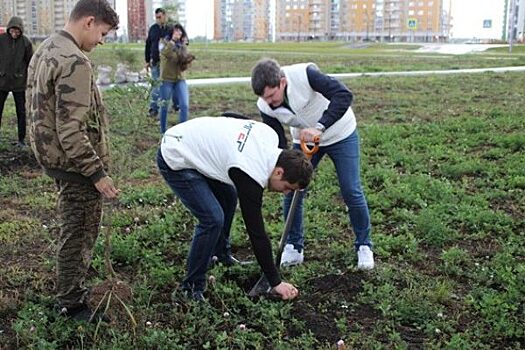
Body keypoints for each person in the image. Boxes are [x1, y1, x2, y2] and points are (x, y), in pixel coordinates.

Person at [27, 0, 119, 322]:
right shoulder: (76, 60)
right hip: (75, 166)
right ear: (89, 22)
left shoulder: (45, 48)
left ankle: (69, 294)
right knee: (78, 232)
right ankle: (72, 304)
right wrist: (97, 174)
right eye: (103, 34)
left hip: (54, 159)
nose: (101, 41)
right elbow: (71, 130)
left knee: (72, 227)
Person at [157, 116, 313, 301]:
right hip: (176, 153)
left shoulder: (269, 135)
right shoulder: (249, 173)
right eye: (288, 187)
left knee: (229, 197)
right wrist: (275, 281)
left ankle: (220, 254)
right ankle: (190, 288)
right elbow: (256, 233)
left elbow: (231, 116)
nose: (286, 193)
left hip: (194, 143)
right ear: (279, 172)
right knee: (212, 219)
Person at [251, 58, 374, 270]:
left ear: (282, 82)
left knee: (351, 189)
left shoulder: (305, 74)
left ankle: (364, 245)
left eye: (271, 95)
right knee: (292, 188)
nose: (269, 102)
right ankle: (294, 245)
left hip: (340, 134)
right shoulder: (265, 105)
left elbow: (344, 95)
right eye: (264, 97)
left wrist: (320, 126)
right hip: (304, 141)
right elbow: (278, 141)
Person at [0, 16, 33, 147]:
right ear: (9, 29)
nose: (15, 33)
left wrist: (29, 79)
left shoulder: (26, 43)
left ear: (21, 30)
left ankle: (21, 139)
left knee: (21, 112)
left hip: (19, 83)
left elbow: (30, 62)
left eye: (17, 31)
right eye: (12, 30)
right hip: (2, 82)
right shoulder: (1, 40)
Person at [158, 23, 194, 134]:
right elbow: (165, 53)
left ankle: (182, 132)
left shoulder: (182, 45)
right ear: (171, 32)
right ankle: (163, 131)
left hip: (180, 79)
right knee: (164, 106)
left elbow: (183, 60)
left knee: (184, 105)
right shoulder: (164, 42)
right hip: (167, 79)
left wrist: (187, 57)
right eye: (176, 31)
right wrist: (172, 41)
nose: (178, 33)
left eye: (180, 31)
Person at [144, 8, 173, 118]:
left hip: (167, 64)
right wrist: (147, 60)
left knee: (166, 85)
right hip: (155, 62)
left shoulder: (170, 29)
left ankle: (166, 107)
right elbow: (148, 45)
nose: (158, 19)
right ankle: (153, 109)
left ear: (165, 16)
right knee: (155, 85)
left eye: (160, 17)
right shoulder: (153, 29)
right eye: (156, 17)